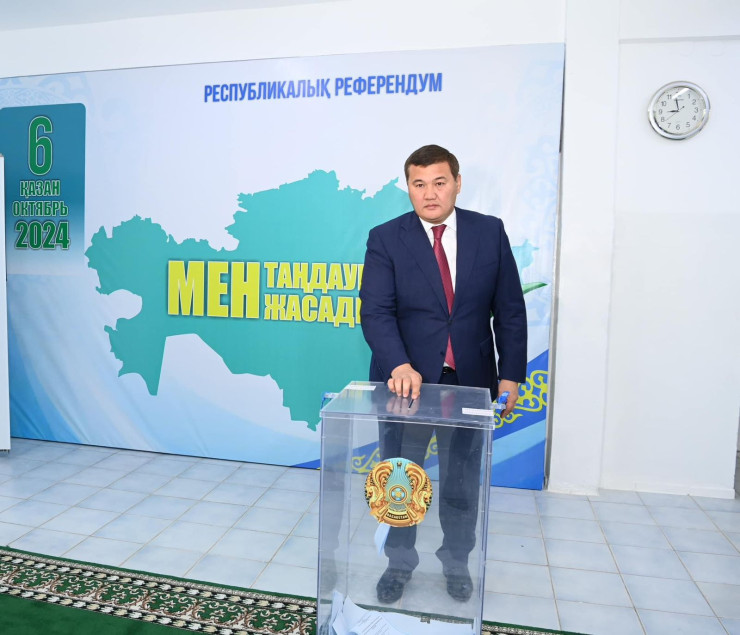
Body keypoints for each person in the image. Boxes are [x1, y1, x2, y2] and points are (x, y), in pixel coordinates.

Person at [359, 144, 527, 603]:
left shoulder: (488, 232)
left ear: (457, 183)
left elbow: (509, 309)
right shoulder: (386, 238)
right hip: (406, 384)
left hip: (469, 382)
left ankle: (456, 563)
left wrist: (510, 374)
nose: (429, 193)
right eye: (419, 184)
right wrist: (399, 364)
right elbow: (375, 311)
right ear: (408, 188)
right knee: (400, 479)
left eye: (439, 182)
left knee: (460, 483)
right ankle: (398, 564)